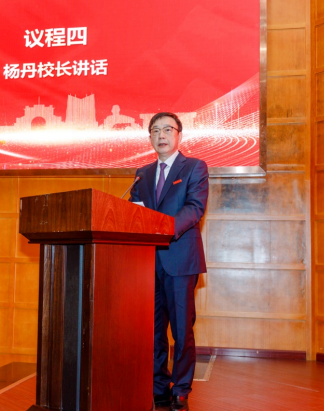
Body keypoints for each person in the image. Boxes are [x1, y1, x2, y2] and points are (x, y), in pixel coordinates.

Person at [129, 112, 209, 411]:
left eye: (167, 129)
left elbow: (195, 207)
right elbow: (134, 210)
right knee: (153, 330)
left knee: (181, 328)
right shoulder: (142, 173)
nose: (160, 135)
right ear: (150, 137)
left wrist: (164, 228)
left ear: (179, 135)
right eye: (155, 130)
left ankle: (182, 388)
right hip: (147, 261)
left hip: (180, 259)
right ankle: (158, 385)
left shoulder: (194, 167)